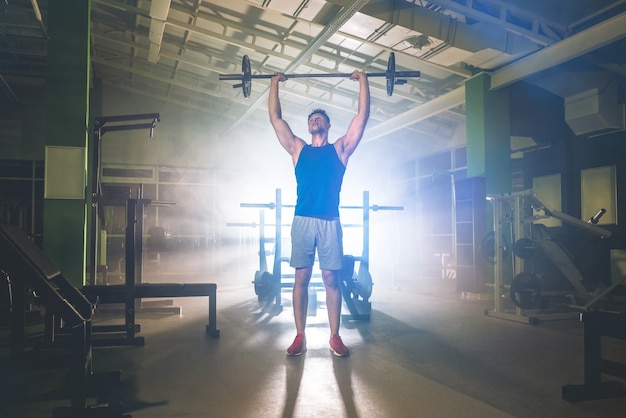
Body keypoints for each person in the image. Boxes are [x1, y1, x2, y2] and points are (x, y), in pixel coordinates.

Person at [268, 69, 370, 357]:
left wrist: (363, 80)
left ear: (327, 124)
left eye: (319, 118)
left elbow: (361, 117)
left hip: (329, 222)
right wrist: (274, 83)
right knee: (301, 277)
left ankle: (335, 336)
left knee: (330, 279)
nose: (314, 120)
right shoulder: (298, 149)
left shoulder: (340, 149)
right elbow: (276, 120)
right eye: (311, 118)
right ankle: (300, 336)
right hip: (302, 220)